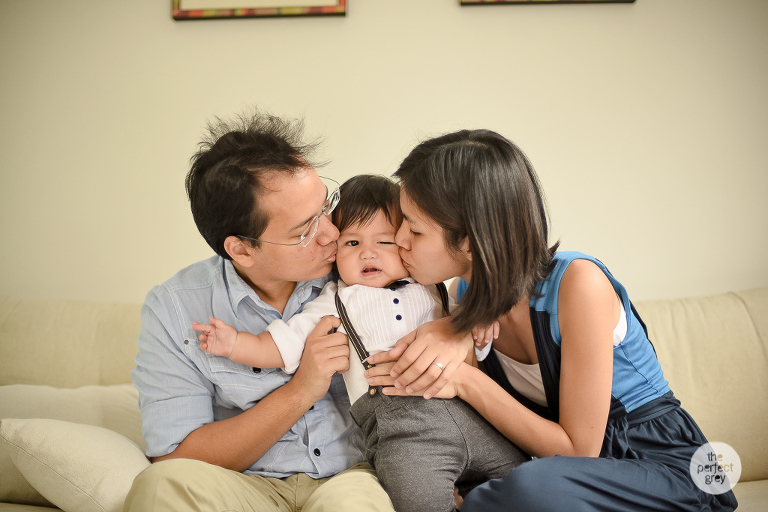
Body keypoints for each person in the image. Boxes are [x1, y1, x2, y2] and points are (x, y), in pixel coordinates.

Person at [365, 129, 739, 511]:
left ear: (471, 241)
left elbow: (579, 451)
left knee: (533, 487)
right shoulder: (462, 298)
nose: (398, 240)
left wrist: (465, 379)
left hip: (669, 466)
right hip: (570, 481)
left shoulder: (578, 284)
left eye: (414, 229)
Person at [192, 174, 529, 512]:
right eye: (352, 244)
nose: (368, 254)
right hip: (404, 433)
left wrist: (481, 317)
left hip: (467, 413)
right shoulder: (335, 301)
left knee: (525, 476)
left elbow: (471, 329)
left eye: (384, 242)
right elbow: (280, 345)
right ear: (334, 254)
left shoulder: (432, 286)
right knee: (418, 500)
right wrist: (235, 344)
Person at [124, 110, 397, 512]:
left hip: (350, 475)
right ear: (242, 249)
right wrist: (301, 389)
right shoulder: (175, 307)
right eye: (304, 230)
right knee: (161, 486)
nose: (332, 233)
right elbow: (176, 457)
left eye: (326, 206)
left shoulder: (362, 267)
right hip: (245, 485)